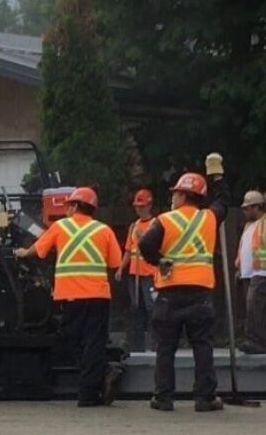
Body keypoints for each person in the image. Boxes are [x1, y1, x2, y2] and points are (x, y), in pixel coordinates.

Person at [139, 153, 231, 412]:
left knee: (165, 347)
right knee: (203, 345)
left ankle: (164, 397)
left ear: (181, 196)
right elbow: (223, 199)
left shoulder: (165, 220)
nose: (172, 198)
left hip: (169, 293)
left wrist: (159, 261)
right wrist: (216, 175)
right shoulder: (209, 218)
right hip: (200, 293)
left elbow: (145, 243)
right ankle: (205, 398)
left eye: (175, 194)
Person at [14, 187, 123, 406]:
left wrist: (22, 253)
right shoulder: (104, 230)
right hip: (99, 296)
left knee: (70, 342)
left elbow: (38, 249)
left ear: (74, 206)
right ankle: (91, 391)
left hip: (71, 296)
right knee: (94, 343)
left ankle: (97, 381)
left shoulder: (60, 227)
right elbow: (115, 263)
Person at [115, 188, 157, 351]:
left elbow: (155, 247)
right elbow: (128, 250)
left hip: (149, 273)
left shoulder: (155, 224)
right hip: (134, 274)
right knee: (136, 307)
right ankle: (136, 345)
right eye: (137, 206)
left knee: (151, 308)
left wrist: (142, 237)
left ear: (149, 206)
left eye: (142, 206)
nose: (139, 209)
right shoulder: (134, 226)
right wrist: (121, 268)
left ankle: (155, 344)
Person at [234, 190, 266, 354]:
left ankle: (258, 341)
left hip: (262, 271)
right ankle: (254, 339)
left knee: (255, 306)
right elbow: (245, 247)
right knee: (251, 307)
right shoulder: (249, 226)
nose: (245, 211)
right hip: (247, 273)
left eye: (248, 208)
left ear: (257, 207)